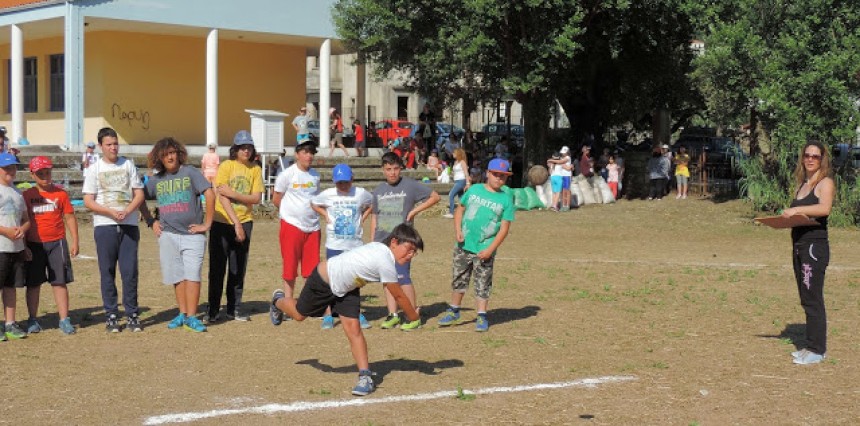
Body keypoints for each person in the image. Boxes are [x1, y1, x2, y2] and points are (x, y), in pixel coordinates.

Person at [269, 224, 423, 396]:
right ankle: (278, 301)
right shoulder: (384, 259)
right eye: (408, 249)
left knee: (353, 329)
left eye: (414, 252)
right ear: (394, 242)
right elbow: (399, 296)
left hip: (348, 288)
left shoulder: (384, 253)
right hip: (324, 280)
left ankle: (365, 377)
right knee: (298, 315)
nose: (410, 255)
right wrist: (414, 316)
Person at [139, 138, 215, 333]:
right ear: (160, 159)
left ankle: (192, 317)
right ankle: (182, 314)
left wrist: (206, 223)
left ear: (179, 154)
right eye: (165, 154)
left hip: (192, 234)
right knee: (178, 276)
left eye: (172, 152)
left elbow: (209, 193)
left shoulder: (190, 172)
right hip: (168, 235)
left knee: (193, 275)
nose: (170, 157)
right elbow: (139, 197)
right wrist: (151, 221)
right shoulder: (157, 180)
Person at [437, 158, 515, 332]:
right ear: (487, 173)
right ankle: (454, 310)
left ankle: (481, 315)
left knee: (482, 282)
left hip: (484, 249)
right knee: (459, 278)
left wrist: (490, 249)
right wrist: (457, 230)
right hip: (463, 245)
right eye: (495, 175)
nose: (499, 179)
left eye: (503, 176)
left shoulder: (506, 200)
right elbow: (460, 209)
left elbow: (504, 229)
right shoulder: (474, 190)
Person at [83, 127, 145, 332]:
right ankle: (111, 314)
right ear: (101, 146)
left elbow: (139, 194)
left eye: (115, 143)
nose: (113, 148)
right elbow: (88, 200)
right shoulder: (95, 169)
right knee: (107, 271)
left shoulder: (128, 164)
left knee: (129, 272)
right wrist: (109, 212)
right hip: (105, 226)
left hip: (128, 225)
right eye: (109, 144)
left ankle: (132, 314)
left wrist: (128, 210)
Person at [371, 152, 440, 329]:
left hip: (402, 241)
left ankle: (413, 316)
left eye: (395, 169)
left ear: (400, 168)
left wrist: (414, 211)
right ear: (383, 170)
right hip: (382, 242)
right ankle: (392, 314)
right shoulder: (378, 190)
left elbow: (435, 196)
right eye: (388, 169)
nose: (392, 173)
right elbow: (374, 217)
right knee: (387, 279)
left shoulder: (410, 185)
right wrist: (372, 241)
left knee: (403, 277)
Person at [781, 140, 834, 365]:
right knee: (805, 296)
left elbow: (824, 208)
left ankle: (817, 349)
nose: (811, 159)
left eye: (815, 156)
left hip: (814, 247)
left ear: (822, 159)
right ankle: (809, 345)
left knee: (813, 298)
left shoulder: (825, 183)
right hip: (799, 244)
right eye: (807, 155)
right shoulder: (802, 183)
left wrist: (797, 209)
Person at [206, 130, 264, 323]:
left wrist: (236, 195)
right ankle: (213, 310)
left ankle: (234, 308)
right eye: (242, 147)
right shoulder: (226, 166)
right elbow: (222, 196)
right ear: (235, 149)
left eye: (249, 147)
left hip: (245, 221)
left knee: (238, 268)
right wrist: (236, 222)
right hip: (222, 222)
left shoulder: (255, 169)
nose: (246, 151)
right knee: (217, 268)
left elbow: (256, 197)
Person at [311, 163, 373, 329]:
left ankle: (356, 312)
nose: (343, 186)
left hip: (354, 244)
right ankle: (328, 314)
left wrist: (363, 217)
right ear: (333, 181)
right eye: (339, 183)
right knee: (331, 279)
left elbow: (373, 202)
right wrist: (325, 214)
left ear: (352, 179)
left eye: (346, 182)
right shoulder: (328, 194)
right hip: (334, 244)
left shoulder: (360, 193)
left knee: (354, 279)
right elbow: (314, 203)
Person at [23, 156, 79, 335]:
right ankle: (32, 319)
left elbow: (69, 217)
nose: (45, 176)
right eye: (40, 173)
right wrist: (24, 246)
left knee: (59, 282)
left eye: (47, 172)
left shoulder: (60, 194)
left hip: (57, 243)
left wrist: (75, 240)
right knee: (33, 284)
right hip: (34, 244)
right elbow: (23, 221)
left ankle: (64, 319)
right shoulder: (27, 196)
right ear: (32, 175)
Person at [272, 140, 321, 310]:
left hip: (313, 227)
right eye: (305, 152)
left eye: (311, 152)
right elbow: (276, 198)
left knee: (311, 268)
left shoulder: (315, 175)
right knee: (290, 265)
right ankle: (288, 301)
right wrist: (290, 213)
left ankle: (308, 302)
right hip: (291, 225)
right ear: (297, 154)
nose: (309, 156)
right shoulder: (287, 175)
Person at [0, 153, 29, 340]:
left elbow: (26, 220)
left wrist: (22, 230)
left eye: (13, 167)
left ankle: (10, 323)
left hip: (16, 247)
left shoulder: (18, 193)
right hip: (1, 246)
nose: (11, 171)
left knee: (11, 286)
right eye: (6, 168)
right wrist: (5, 231)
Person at [444, 148, 471, 219]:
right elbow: (456, 173)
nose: (453, 154)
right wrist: (450, 174)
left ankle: (451, 212)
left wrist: (468, 183)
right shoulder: (456, 162)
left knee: (451, 195)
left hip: (461, 180)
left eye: (454, 153)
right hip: (457, 180)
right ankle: (466, 212)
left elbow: (466, 173)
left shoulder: (462, 162)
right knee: (461, 197)